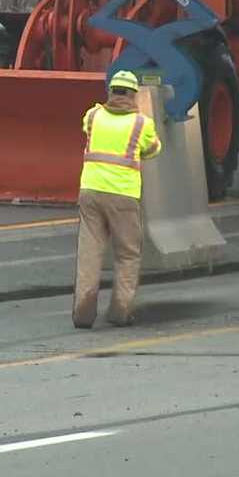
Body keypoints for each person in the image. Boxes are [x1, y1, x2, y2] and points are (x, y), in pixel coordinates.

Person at [72, 70, 162, 329]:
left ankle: (83, 313)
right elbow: (154, 149)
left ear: (111, 91)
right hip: (123, 195)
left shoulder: (93, 115)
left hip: (90, 190)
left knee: (90, 253)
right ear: (133, 95)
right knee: (127, 253)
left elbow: (86, 130)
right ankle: (120, 312)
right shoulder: (141, 123)